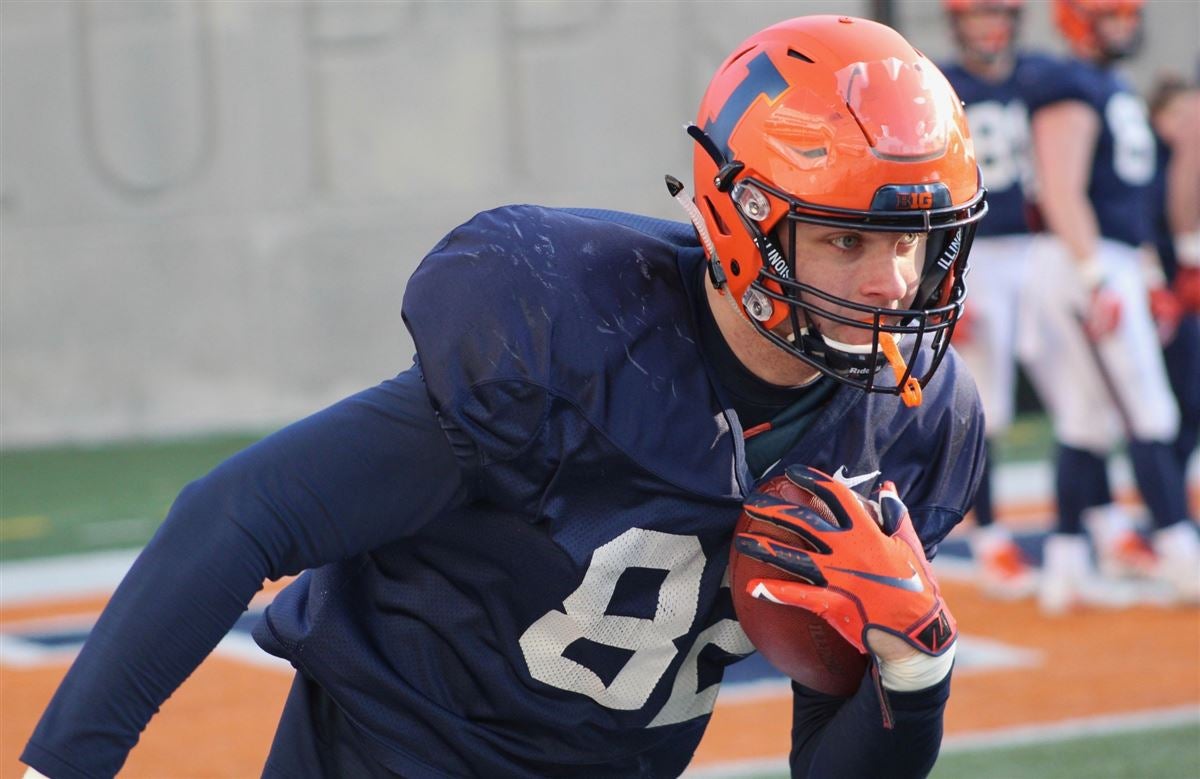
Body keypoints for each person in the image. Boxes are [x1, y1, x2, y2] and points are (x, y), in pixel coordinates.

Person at [21, 16, 988, 779]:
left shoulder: (916, 429)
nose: (892, 284)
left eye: (912, 240)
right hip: (391, 754)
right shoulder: (572, 340)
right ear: (744, 220)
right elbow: (240, 516)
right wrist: (63, 765)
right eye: (846, 239)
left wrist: (917, 670)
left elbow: (829, 762)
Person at [1022, 0, 1199, 614]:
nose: (1126, 25)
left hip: (1109, 259)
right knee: (1150, 410)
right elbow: (1062, 186)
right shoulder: (1067, 84)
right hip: (1083, 258)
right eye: (1111, 15)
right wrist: (1094, 275)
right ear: (1079, 21)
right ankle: (1181, 555)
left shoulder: (1111, 84)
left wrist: (1145, 274)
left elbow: (1133, 199)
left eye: (1129, 14)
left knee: (1086, 422)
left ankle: (1065, 568)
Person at [939, 0, 1052, 599]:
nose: (992, 26)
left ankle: (1092, 530)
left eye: (1001, 14)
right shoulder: (939, 84)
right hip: (978, 252)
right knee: (983, 410)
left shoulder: (1038, 77)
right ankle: (991, 539)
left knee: (1082, 396)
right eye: (980, 14)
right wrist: (945, 282)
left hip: (1039, 248)